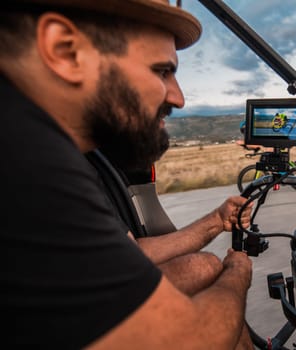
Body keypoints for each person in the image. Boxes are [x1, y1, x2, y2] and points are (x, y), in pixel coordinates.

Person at [1, 1, 254, 348]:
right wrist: (239, 273)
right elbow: (190, 340)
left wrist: (215, 220)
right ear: (65, 51)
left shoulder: (62, 148)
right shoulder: (23, 153)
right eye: (161, 71)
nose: (178, 98)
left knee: (205, 268)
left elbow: (132, 252)